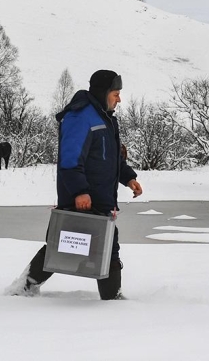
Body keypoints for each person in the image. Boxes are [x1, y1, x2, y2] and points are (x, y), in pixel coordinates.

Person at [14, 69, 143, 300]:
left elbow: (109, 158)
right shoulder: (81, 116)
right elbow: (70, 159)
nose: (119, 99)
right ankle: (25, 287)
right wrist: (80, 191)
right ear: (104, 93)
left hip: (100, 198)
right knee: (62, 245)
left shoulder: (104, 118)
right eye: (116, 93)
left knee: (105, 246)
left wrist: (129, 177)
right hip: (82, 199)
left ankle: (112, 297)